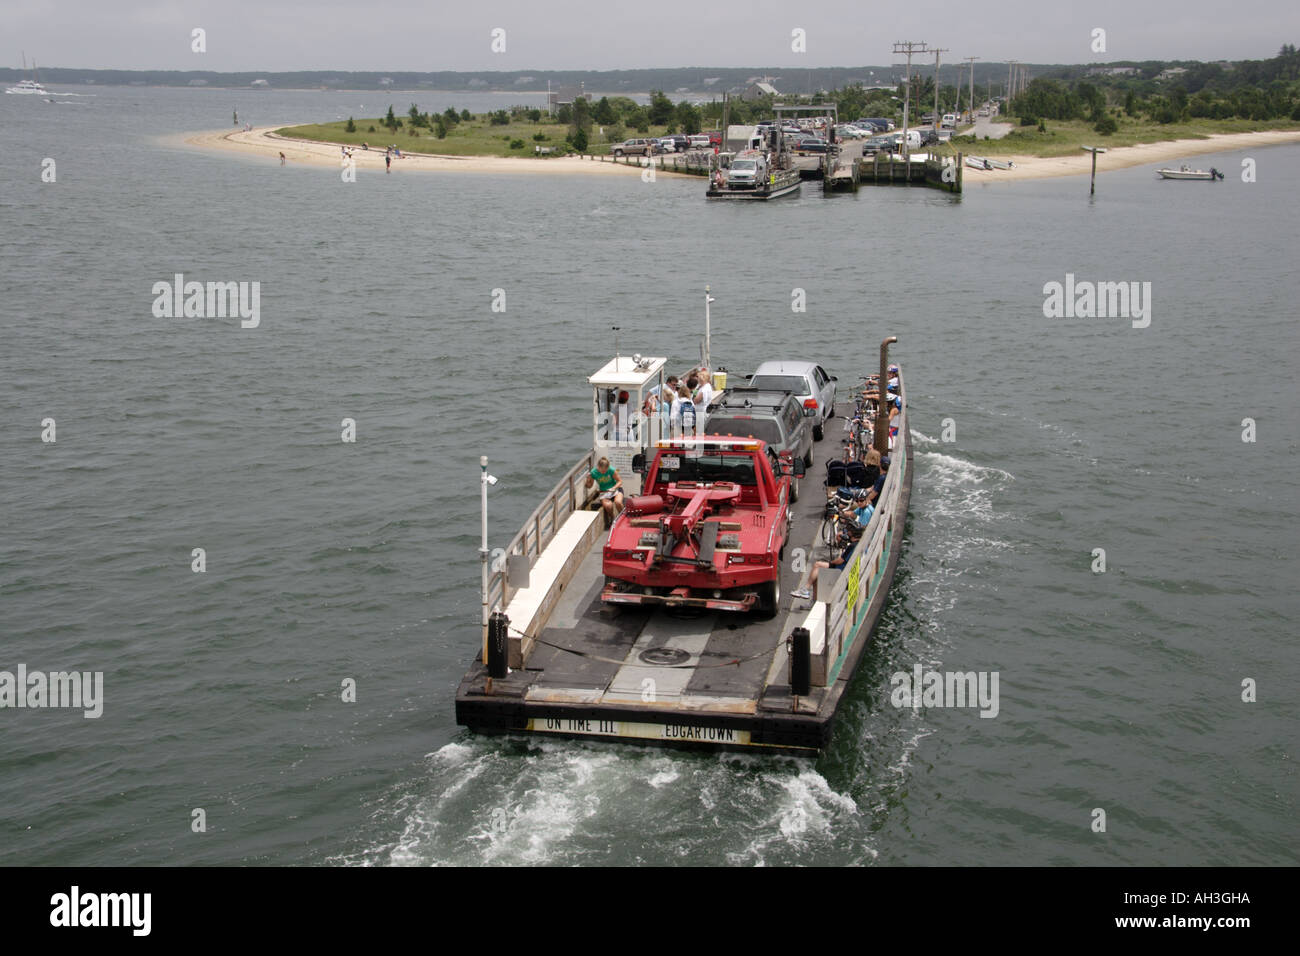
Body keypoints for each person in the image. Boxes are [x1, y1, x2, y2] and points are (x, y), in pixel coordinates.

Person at [585, 456, 624, 525]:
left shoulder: (611, 470)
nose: (604, 472)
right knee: (608, 506)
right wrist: (588, 480)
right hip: (604, 492)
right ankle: (613, 518)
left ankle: (624, 517)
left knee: (618, 502)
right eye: (602, 471)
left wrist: (614, 488)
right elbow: (589, 486)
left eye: (605, 471)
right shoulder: (593, 472)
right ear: (598, 467)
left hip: (616, 489)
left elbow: (620, 481)